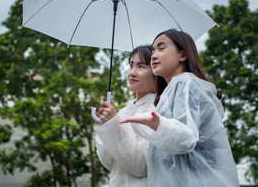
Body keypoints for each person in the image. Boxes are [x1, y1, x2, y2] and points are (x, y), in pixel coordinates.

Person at [120, 29, 240, 187]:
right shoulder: (174, 91)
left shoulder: (185, 83)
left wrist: (157, 124)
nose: (154, 56)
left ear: (183, 55)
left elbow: (185, 138)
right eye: (153, 50)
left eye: (161, 48)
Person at [92, 45, 156, 187]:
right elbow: (108, 162)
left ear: (156, 71)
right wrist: (105, 124)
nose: (132, 73)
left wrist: (114, 124)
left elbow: (140, 166)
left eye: (141, 66)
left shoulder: (156, 111)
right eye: (131, 65)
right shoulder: (124, 111)